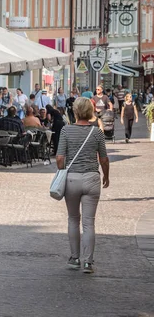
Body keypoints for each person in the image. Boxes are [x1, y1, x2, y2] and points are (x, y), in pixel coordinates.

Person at [56, 97, 109, 274]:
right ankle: (88, 262)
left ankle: (74, 258)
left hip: (72, 179)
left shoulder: (66, 131)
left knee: (73, 219)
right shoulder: (97, 133)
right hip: (92, 178)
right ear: (90, 112)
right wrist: (106, 176)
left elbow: (60, 158)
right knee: (89, 223)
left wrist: (62, 170)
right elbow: (103, 158)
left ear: (75, 111)